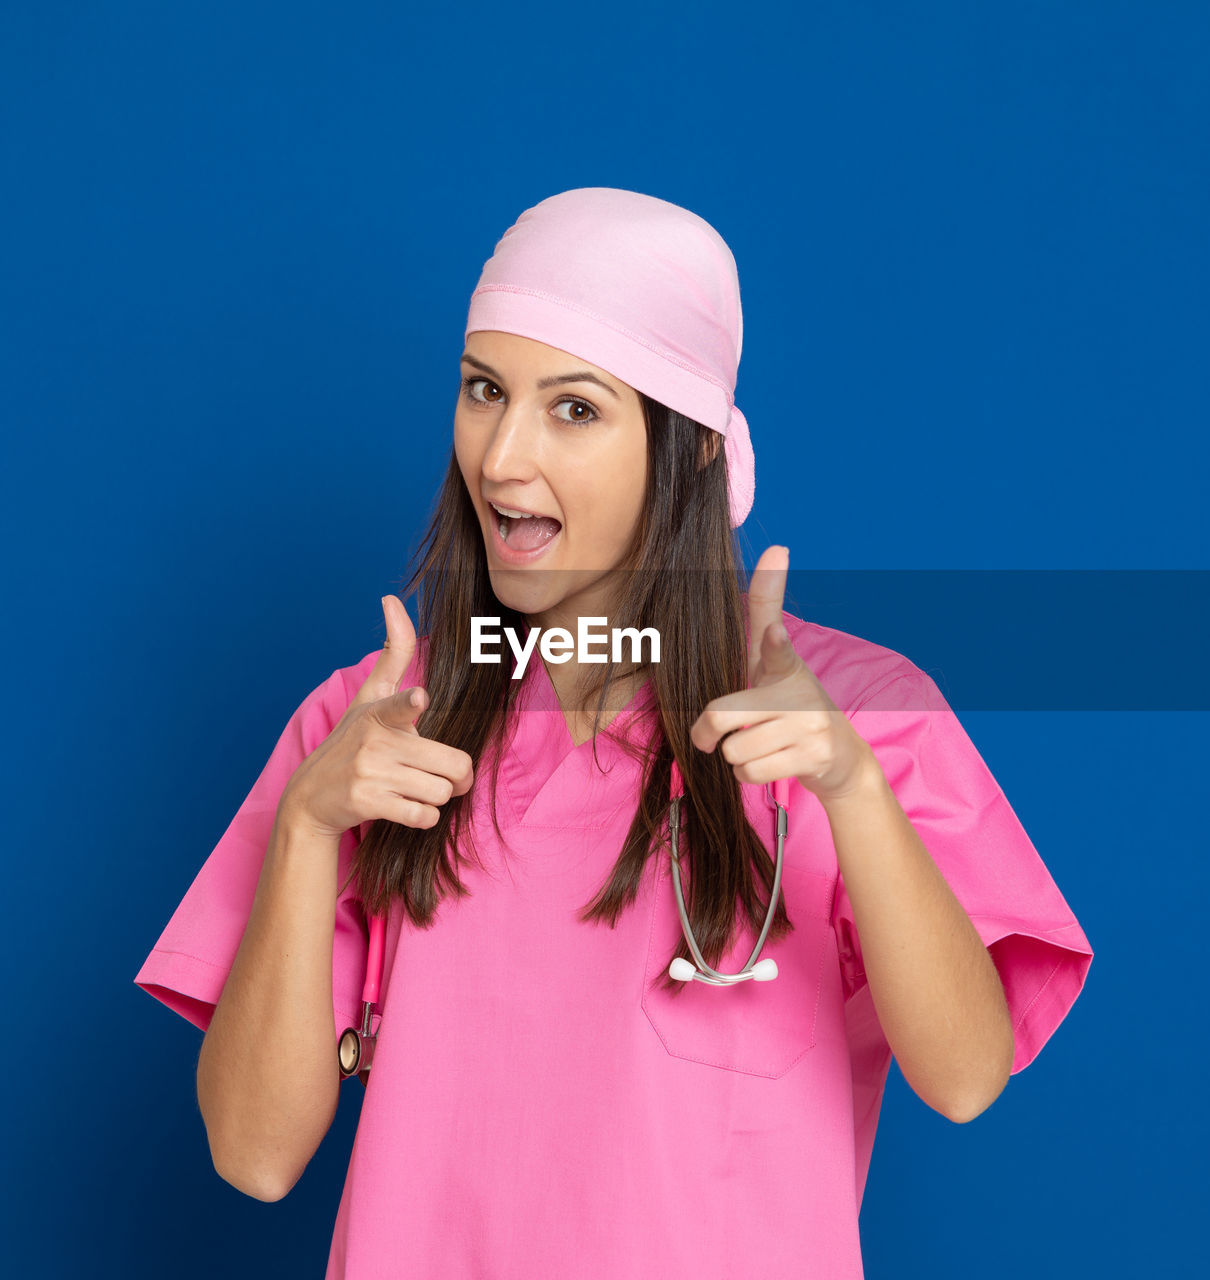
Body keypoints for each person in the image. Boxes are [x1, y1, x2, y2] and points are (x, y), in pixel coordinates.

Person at [134, 187, 1093, 1279]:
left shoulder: (850, 714)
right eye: (483, 391)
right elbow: (254, 1155)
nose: (500, 458)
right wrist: (307, 826)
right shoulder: (372, 722)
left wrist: (853, 789)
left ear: (686, 449)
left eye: (573, 408)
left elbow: (966, 1078)